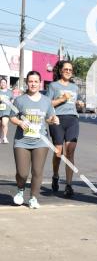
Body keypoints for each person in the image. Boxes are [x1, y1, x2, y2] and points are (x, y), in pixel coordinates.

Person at [10, 70, 58, 209]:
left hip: (40, 141)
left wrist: (53, 120)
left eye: (36, 81)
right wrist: (19, 122)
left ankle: (33, 198)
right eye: (30, 81)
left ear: (40, 83)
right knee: (22, 173)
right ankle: (20, 190)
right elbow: (12, 117)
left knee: (37, 171)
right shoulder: (20, 100)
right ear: (27, 83)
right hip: (22, 141)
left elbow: (49, 118)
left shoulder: (46, 101)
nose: (33, 84)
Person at [47, 59, 84, 197]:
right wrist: (62, 99)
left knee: (70, 152)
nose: (68, 71)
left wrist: (79, 104)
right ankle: (55, 175)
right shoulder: (53, 86)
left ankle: (69, 185)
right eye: (66, 69)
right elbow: (47, 103)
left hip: (72, 119)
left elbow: (76, 104)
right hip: (57, 120)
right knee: (58, 152)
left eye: (70, 70)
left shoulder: (74, 87)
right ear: (60, 70)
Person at [0, 77, 12, 143]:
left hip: (6, 110)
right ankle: (0, 137)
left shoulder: (9, 92)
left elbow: (12, 100)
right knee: (0, 124)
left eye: (4, 82)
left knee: (4, 123)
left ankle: (5, 137)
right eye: (1, 82)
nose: (3, 84)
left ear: (6, 84)